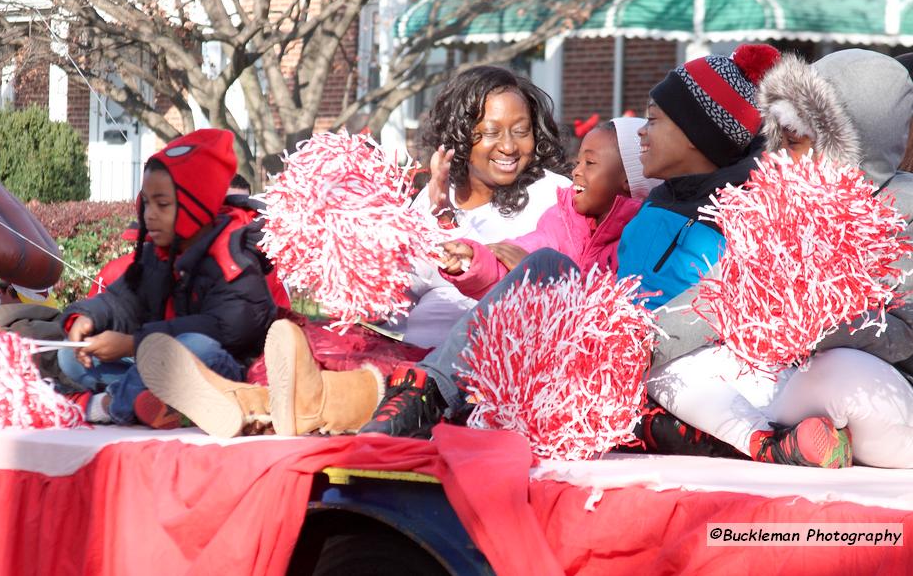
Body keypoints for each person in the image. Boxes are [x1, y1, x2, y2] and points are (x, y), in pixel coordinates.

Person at [358, 44, 782, 438]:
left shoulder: (732, 219)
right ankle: (423, 396)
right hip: (594, 348)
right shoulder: (654, 208)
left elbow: (704, 314)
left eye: (653, 120)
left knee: (546, 269)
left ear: (693, 134)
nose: (641, 133)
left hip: (644, 364)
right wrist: (469, 253)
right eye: (491, 131)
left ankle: (423, 396)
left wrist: (619, 333)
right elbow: (534, 260)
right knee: (544, 266)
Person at [138, 66, 572, 437]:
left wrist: (465, 246)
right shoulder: (434, 199)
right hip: (408, 350)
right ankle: (244, 403)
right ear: (461, 134)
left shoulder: (553, 193)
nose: (510, 147)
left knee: (377, 376)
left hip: (466, 367)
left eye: (521, 131)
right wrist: (384, 237)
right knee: (322, 341)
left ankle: (253, 404)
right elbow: (393, 307)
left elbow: (546, 277)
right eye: (491, 133)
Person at [647, 49, 913, 468]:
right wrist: (641, 340)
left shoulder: (903, 207)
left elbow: (904, 335)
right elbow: (717, 296)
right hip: (792, 386)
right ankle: (768, 443)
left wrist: (816, 325)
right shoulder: (778, 207)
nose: (776, 157)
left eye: (792, 144)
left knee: (842, 372)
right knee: (670, 365)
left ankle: (712, 434)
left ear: (849, 144)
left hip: (877, 393)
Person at [57, 128, 276, 427]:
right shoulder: (157, 255)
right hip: (160, 363)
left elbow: (225, 329)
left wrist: (133, 344)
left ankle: (110, 404)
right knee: (70, 356)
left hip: (227, 371)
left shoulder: (234, 260)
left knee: (192, 345)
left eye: (162, 205)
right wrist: (85, 319)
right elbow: (122, 301)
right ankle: (151, 401)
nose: (149, 215)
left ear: (194, 208)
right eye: (146, 202)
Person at [439, 117, 654, 300]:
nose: (576, 171)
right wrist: (472, 260)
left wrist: (539, 273)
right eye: (577, 161)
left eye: (589, 163)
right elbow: (514, 257)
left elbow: (609, 316)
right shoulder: (563, 219)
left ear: (628, 179)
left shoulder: (642, 241)